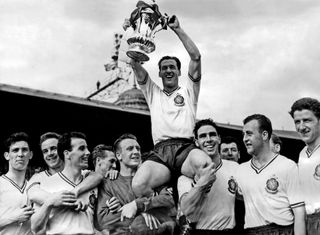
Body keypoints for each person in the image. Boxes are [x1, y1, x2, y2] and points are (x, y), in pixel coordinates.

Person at [130, 14, 212, 198]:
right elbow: (134, 62)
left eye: (172, 67)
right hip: (160, 153)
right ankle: (164, 209)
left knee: (206, 167)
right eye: (164, 68)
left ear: (179, 71)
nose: (168, 70)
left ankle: (187, 212)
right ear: (159, 73)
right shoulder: (152, 92)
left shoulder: (189, 91)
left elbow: (196, 57)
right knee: (138, 184)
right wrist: (133, 29)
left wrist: (177, 29)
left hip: (186, 149)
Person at [237, 114, 305, 235]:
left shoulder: (288, 166)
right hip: (251, 231)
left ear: (264, 135)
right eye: (243, 135)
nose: (245, 139)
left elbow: (299, 212)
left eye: (249, 133)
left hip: (283, 230)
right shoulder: (241, 170)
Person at [96, 133, 177, 235]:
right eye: (130, 149)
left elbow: (170, 200)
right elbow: (103, 220)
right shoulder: (108, 182)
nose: (136, 152)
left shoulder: (152, 176)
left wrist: (138, 205)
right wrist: (143, 214)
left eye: (138, 149)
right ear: (118, 155)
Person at [178, 119, 238, 234]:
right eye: (203, 136)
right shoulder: (186, 177)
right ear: (196, 142)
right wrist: (202, 183)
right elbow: (187, 210)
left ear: (219, 138)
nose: (208, 139)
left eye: (212, 135)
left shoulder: (234, 167)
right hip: (202, 231)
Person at [31, 132, 97, 235]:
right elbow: (35, 228)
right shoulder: (45, 183)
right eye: (81, 148)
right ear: (66, 153)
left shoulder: (90, 180)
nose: (88, 152)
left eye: (53, 148)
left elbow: (99, 175)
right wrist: (50, 202)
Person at [289, 97, 320, 235]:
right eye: (297, 122)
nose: (301, 127)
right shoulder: (302, 154)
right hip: (308, 222)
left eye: (307, 120)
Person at [0, 132, 34, 235]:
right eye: (15, 150)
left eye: (24, 150)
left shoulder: (34, 187)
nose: (20, 154)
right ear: (7, 155)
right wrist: (14, 217)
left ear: (30, 155)